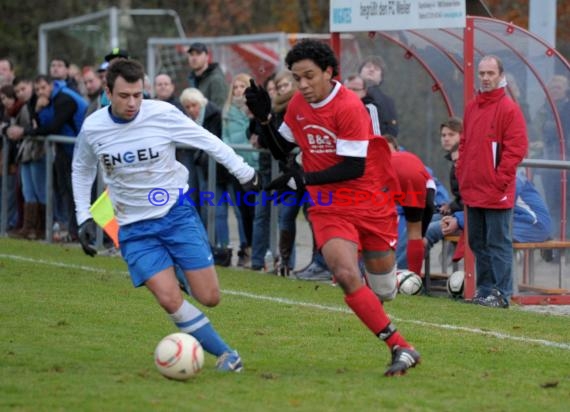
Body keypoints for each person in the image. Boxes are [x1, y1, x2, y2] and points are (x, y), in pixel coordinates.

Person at [72, 59, 260, 372]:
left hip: (176, 215)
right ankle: (228, 355)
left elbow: (207, 140)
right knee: (169, 300)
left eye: (137, 94)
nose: (133, 103)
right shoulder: (93, 128)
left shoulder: (163, 113)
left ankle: (183, 272)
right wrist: (83, 216)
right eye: (124, 96)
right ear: (107, 92)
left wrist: (243, 171)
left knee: (210, 297)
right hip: (132, 228)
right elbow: (81, 169)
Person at [245, 39, 420, 376]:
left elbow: (353, 167)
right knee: (343, 273)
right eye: (297, 78)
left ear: (329, 72)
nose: (303, 85)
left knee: (384, 290)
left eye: (309, 76)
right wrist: (265, 118)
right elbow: (282, 149)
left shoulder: (349, 107)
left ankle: (389, 284)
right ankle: (401, 346)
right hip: (328, 206)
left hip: (368, 202)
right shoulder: (298, 104)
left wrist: (303, 180)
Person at [456, 55, 528, 308]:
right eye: (482, 73)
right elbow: (464, 143)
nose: (485, 78)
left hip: (496, 191)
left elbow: (517, 148)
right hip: (474, 188)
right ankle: (484, 291)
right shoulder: (472, 107)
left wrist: (500, 180)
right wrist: (462, 171)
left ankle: (501, 293)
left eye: (490, 73)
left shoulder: (509, 108)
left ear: (500, 75)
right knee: (477, 242)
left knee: (498, 242)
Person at [384, 134, 435, 276]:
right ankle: (415, 279)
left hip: (384, 178)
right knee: (415, 233)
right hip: (414, 179)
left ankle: (351, 277)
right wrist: (423, 234)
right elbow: (430, 205)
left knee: (374, 231)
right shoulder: (416, 163)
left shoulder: (378, 163)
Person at [4, 79, 46, 239]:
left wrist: (22, 131)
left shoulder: (37, 104)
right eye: (18, 91)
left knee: (40, 190)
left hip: (38, 152)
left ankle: (42, 228)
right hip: (26, 152)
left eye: (24, 88)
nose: (21, 93)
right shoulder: (25, 106)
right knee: (27, 190)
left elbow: (40, 126)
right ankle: (28, 227)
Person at [358, 56, 399, 136]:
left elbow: (392, 130)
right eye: (368, 66)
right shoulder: (345, 92)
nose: (371, 70)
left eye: (376, 69)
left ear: (381, 78)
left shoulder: (388, 102)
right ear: (360, 72)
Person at [187, 42, 228, 109]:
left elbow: (219, 110)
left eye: (198, 54)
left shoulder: (216, 79)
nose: (194, 58)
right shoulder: (192, 79)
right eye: (191, 54)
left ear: (207, 57)